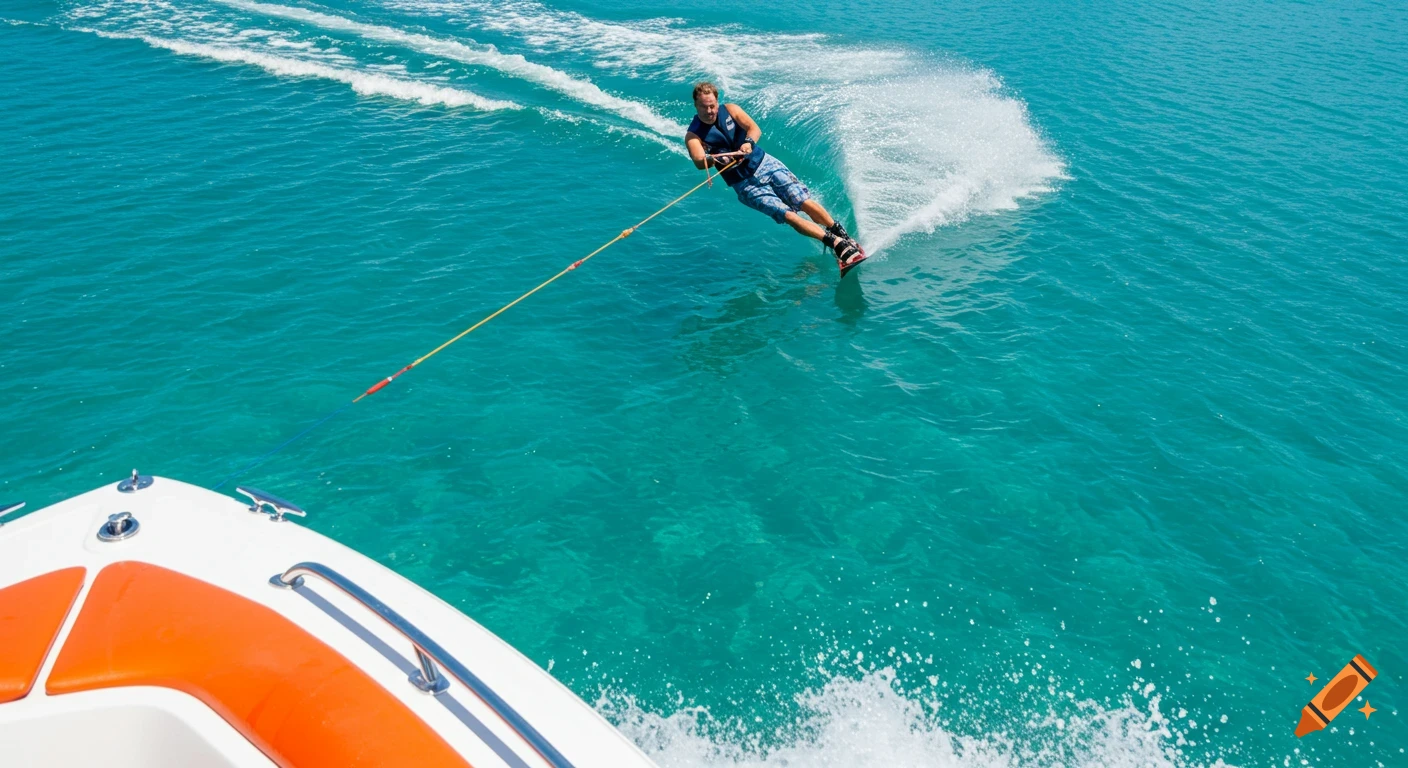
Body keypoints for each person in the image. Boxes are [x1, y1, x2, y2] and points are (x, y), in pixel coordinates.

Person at [684, 82, 867, 275]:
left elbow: (754, 129)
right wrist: (711, 158)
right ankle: (836, 244)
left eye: (712, 105)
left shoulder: (730, 110)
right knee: (787, 215)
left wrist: (748, 143)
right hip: (743, 184)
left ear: (717, 102)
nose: (709, 110)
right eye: (704, 106)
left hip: (764, 163)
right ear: (696, 106)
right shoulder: (693, 135)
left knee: (801, 200)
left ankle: (840, 233)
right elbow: (698, 160)